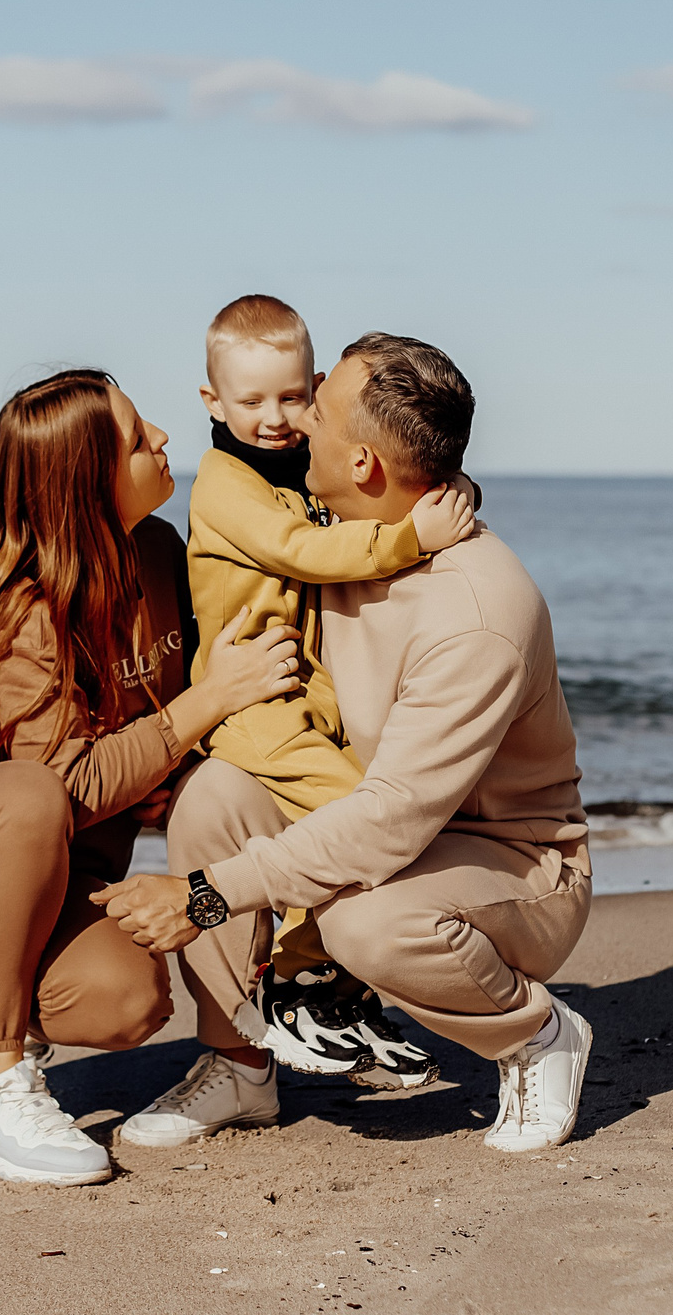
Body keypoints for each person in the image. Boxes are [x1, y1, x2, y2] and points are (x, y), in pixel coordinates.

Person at [97, 334, 596, 1155]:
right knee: (215, 795)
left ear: (363, 464)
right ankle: (239, 1062)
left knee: (362, 921)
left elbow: (390, 823)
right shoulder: (346, 527)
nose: (296, 423)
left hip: (515, 863)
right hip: (380, 811)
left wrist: (205, 895)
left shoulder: (474, 617)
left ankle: (535, 1033)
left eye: (315, 411)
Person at [0, 368, 303, 1187]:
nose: (162, 437)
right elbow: (65, 787)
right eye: (136, 433)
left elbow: (168, 748)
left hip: (40, 879)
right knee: (31, 791)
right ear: (88, 480)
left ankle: (6, 1013)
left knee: (130, 996)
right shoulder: (22, 609)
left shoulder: (156, 552)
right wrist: (207, 698)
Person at [183, 294, 474, 1090]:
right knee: (354, 819)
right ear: (213, 403)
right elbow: (303, 549)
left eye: (290, 397)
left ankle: (337, 993)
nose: (275, 417)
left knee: (359, 822)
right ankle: (295, 978)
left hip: (307, 701)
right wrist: (413, 537)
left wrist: (443, 489)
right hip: (252, 706)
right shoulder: (223, 483)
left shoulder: (294, 468)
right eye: (250, 401)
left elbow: (362, 491)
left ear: (314, 390)